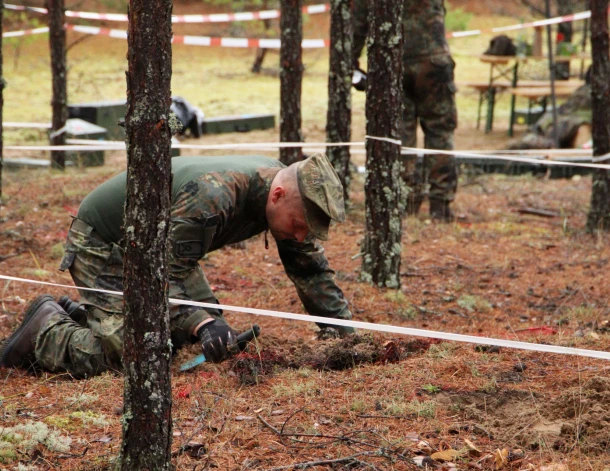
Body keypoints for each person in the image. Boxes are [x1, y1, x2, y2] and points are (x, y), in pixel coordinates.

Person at [0, 153, 355, 378]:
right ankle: (47, 329)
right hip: (107, 242)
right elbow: (161, 278)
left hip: (160, 248)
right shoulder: (212, 196)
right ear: (278, 196)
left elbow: (310, 269)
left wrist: (344, 339)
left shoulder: (283, 193)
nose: (300, 235)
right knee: (138, 356)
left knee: (194, 338)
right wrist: (201, 322)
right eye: (298, 225)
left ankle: (83, 317)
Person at [352, 0, 458, 221]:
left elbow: (360, 19)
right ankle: (439, 206)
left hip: (393, 62)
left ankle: (407, 202)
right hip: (431, 61)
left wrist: (351, 61)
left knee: (401, 136)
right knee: (439, 132)